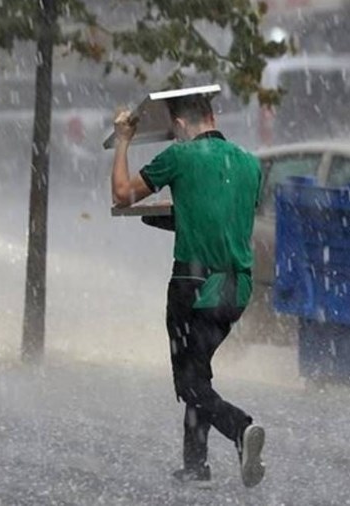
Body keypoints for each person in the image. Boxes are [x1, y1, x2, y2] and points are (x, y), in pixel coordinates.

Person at [110, 93, 266, 488]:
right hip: (237, 289)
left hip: (193, 286)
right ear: (212, 115)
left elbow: (122, 194)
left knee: (189, 382)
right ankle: (195, 465)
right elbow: (222, 218)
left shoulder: (179, 157)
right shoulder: (249, 163)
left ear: (178, 125)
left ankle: (239, 428)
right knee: (199, 371)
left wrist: (124, 139)